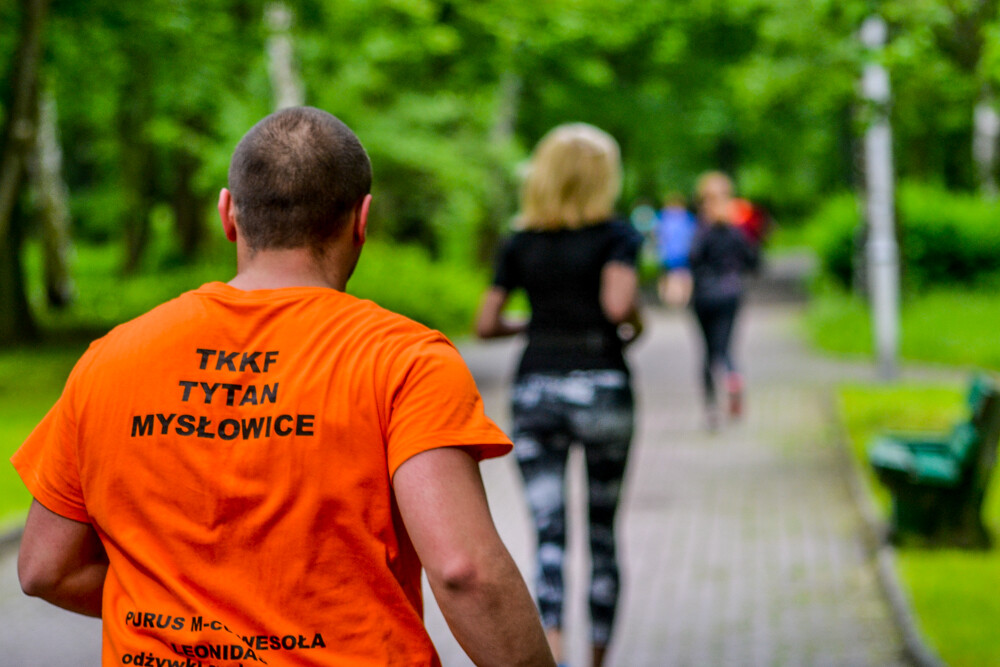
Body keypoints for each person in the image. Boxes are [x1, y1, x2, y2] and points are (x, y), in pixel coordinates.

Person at [13, 107, 555, 667]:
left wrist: (204, 621)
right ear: (361, 220)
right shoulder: (403, 360)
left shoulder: (111, 359)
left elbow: (45, 568)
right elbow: (465, 571)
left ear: (228, 214)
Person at [476, 123, 642, 667]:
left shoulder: (520, 242)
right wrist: (636, 321)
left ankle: (551, 651)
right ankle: (593, 659)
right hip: (602, 384)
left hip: (536, 388)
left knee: (548, 536)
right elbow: (618, 308)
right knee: (600, 532)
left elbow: (485, 323)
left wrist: (537, 324)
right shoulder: (616, 236)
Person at [688, 171, 759, 429]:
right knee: (726, 347)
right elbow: (754, 261)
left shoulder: (701, 230)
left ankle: (710, 408)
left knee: (708, 351)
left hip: (705, 295)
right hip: (731, 292)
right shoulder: (736, 231)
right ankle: (733, 379)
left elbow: (692, 259)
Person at [653, 192, 698, 307]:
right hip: (678, 253)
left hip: (672, 253)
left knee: (674, 276)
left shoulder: (663, 216)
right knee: (679, 276)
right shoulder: (687, 218)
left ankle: (673, 300)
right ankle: (679, 300)